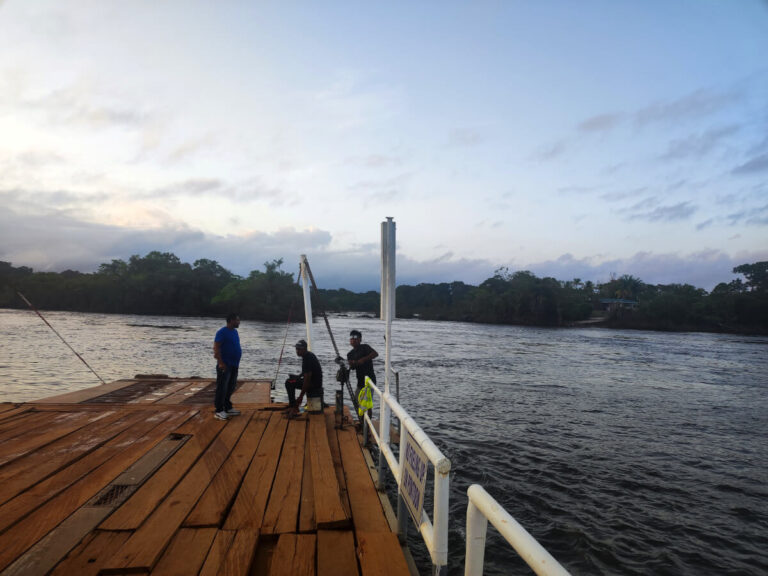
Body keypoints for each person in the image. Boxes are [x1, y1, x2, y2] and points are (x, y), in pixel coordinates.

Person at [213, 313, 242, 421]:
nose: (239, 322)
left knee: (231, 386)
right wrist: (220, 363)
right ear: (231, 321)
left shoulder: (235, 332)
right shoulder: (221, 332)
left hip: (234, 364)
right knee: (222, 387)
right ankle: (219, 410)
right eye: (237, 320)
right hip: (225, 364)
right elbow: (216, 348)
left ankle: (228, 407)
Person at [285, 339, 323, 415]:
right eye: (296, 349)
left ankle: (293, 407)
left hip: (314, 384)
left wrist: (300, 397)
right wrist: (298, 377)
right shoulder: (308, 355)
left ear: (305, 349)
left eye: (299, 349)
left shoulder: (307, 359)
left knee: (289, 382)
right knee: (291, 380)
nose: (297, 351)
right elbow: (307, 371)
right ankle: (292, 406)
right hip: (315, 381)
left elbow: (307, 380)